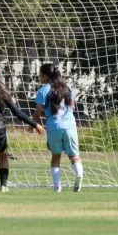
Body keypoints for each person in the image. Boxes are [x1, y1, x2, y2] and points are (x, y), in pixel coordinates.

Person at [33, 63, 83, 192]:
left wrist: (33, 125)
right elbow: (72, 106)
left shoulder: (43, 90)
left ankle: (57, 188)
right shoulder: (67, 88)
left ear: (45, 75)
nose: (39, 77)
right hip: (70, 126)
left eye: (40, 74)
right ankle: (79, 175)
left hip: (54, 126)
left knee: (56, 156)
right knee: (74, 155)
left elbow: (37, 113)